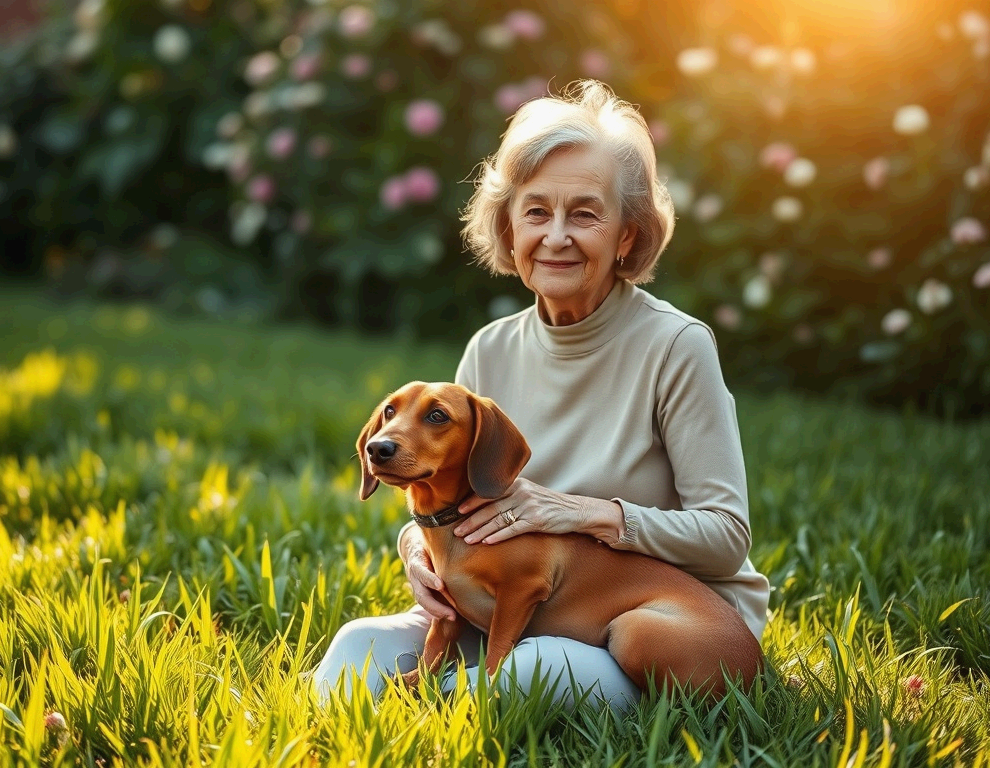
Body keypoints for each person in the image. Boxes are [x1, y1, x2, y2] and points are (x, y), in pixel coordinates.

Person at [311, 80, 770, 710]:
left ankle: (445, 723)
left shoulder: (676, 346)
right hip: (513, 605)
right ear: (510, 226)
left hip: (651, 628)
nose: (556, 235)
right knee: (356, 648)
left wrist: (582, 512)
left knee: (524, 674)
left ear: (627, 236)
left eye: (584, 213)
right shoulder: (490, 349)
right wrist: (418, 550)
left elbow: (724, 535)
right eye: (535, 211)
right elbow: (458, 489)